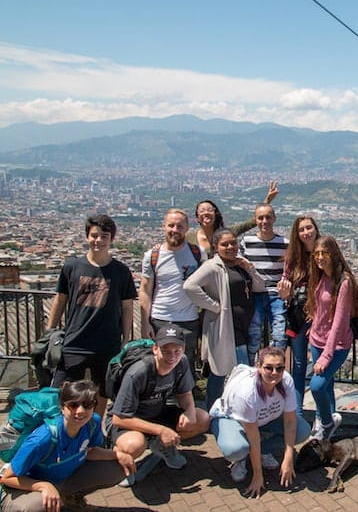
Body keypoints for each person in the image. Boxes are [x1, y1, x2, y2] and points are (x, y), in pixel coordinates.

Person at [46, 214, 136, 418]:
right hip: (75, 340)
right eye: (94, 235)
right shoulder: (72, 267)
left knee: (102, 391)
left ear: (111, 239)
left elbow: (127, 307)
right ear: (87, 237)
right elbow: (60, 299)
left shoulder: (121, 271)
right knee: (65, 391)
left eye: (104, 236)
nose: (98, 240)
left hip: (107, 342)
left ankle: (94, 428)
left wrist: (126, 338)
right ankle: (66, 430)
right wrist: (50, 332)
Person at [0, 380, 135, 511]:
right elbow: (7, 477)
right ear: (62, 407)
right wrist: (42, 486)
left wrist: (118, 454)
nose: (81, 411)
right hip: (27, 485)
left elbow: (89, 451)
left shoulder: (92, 423)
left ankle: (70, 499)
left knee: (118, 467)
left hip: (62, 478)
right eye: (73, 405)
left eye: (87, 404)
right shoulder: (42, 439)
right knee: (36, 505)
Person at [108, 324, 210, 488]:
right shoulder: (138, 372)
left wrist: (190, 411)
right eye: (166, 351)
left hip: (158, 412)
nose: (172, 356)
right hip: (130, 420)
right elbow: (119, 418)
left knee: (202, 418)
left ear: (183, 350)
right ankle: (120, 460)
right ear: (155, 349)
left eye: (177, 351)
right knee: (134, 444)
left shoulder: (181, 363)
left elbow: (184, 394)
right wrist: (161, 430)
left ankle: (162, 446)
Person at [183, 228, 267, 410]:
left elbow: (260, 287)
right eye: (225, 244)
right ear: (215, 247)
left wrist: (250, 268)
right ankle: (216, 410)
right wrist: (214, 306)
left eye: (233, 243)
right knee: (223, 372)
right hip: (225, 327)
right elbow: (190, 286)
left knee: (234, 372)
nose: (230, 247)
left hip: (244, 326)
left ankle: (232, 410)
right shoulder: (213, 266)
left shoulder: (239, 264)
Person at [210, 348, 311, 498]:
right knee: (235, 450)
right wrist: (258, 476)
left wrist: (288, 458)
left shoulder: (286, 381)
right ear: (259, 366)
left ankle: (262, 452)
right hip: (232, 418)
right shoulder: (247, 393)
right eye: (268, 368)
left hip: (263, 417)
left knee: (302, 430)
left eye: (279, 368)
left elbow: (290, 420)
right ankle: (242, 458)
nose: (275, 372)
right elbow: (253, 436)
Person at [304, 235, 358, 440]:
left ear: (333, 254)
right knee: (326, 387)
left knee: (317, 386)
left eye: (324, 253)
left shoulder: (343, 282)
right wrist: (314, 326)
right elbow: (319, 307)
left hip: (336, 346)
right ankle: (325, 427)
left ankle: (327, 422)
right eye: (317, 253)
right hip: (317, 340)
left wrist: (326, 356)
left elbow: (339, 322)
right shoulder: (319, 276)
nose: (320, 258)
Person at [139, 208, 207, 374]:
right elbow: (145, 290)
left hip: (189, 319)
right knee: (158, 363)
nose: (175, 230)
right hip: (159, 317)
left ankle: (185, 397)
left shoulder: (197, 254)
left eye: (179, 226)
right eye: (171, 225)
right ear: (164, 227)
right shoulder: (152, 255)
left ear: (186, 228)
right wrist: (145, 322)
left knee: (186, 362)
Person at [277, 215, 321, 422]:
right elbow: (286, 288)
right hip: (298, 316)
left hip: (320, 318)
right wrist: (285, 294)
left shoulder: (324, 253)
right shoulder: (293, 259)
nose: (306, 232)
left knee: (321, 365)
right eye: (301, 229)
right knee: (299, 365)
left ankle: (322, 416)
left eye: (309, 228)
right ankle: (297, 413)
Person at [239, 203, 290, 362]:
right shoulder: (246, 242)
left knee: (279, 334)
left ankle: (275, 366)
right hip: (255, 294)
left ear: (274, 219)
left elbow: (290, 270)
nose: (264, 221)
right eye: (260, 218)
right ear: (255, 220)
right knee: (253, 334)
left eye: (268, 217)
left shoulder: (285, 243)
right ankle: (250, 370)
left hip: (276, 294)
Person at [186, 180, 279, 256]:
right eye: (202, 211)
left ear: (215, 214)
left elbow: (252, 223)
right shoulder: (189, 237)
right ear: (197, 217)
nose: (206, 213)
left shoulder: (226, 233)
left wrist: (267, 201)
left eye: (210, 210)